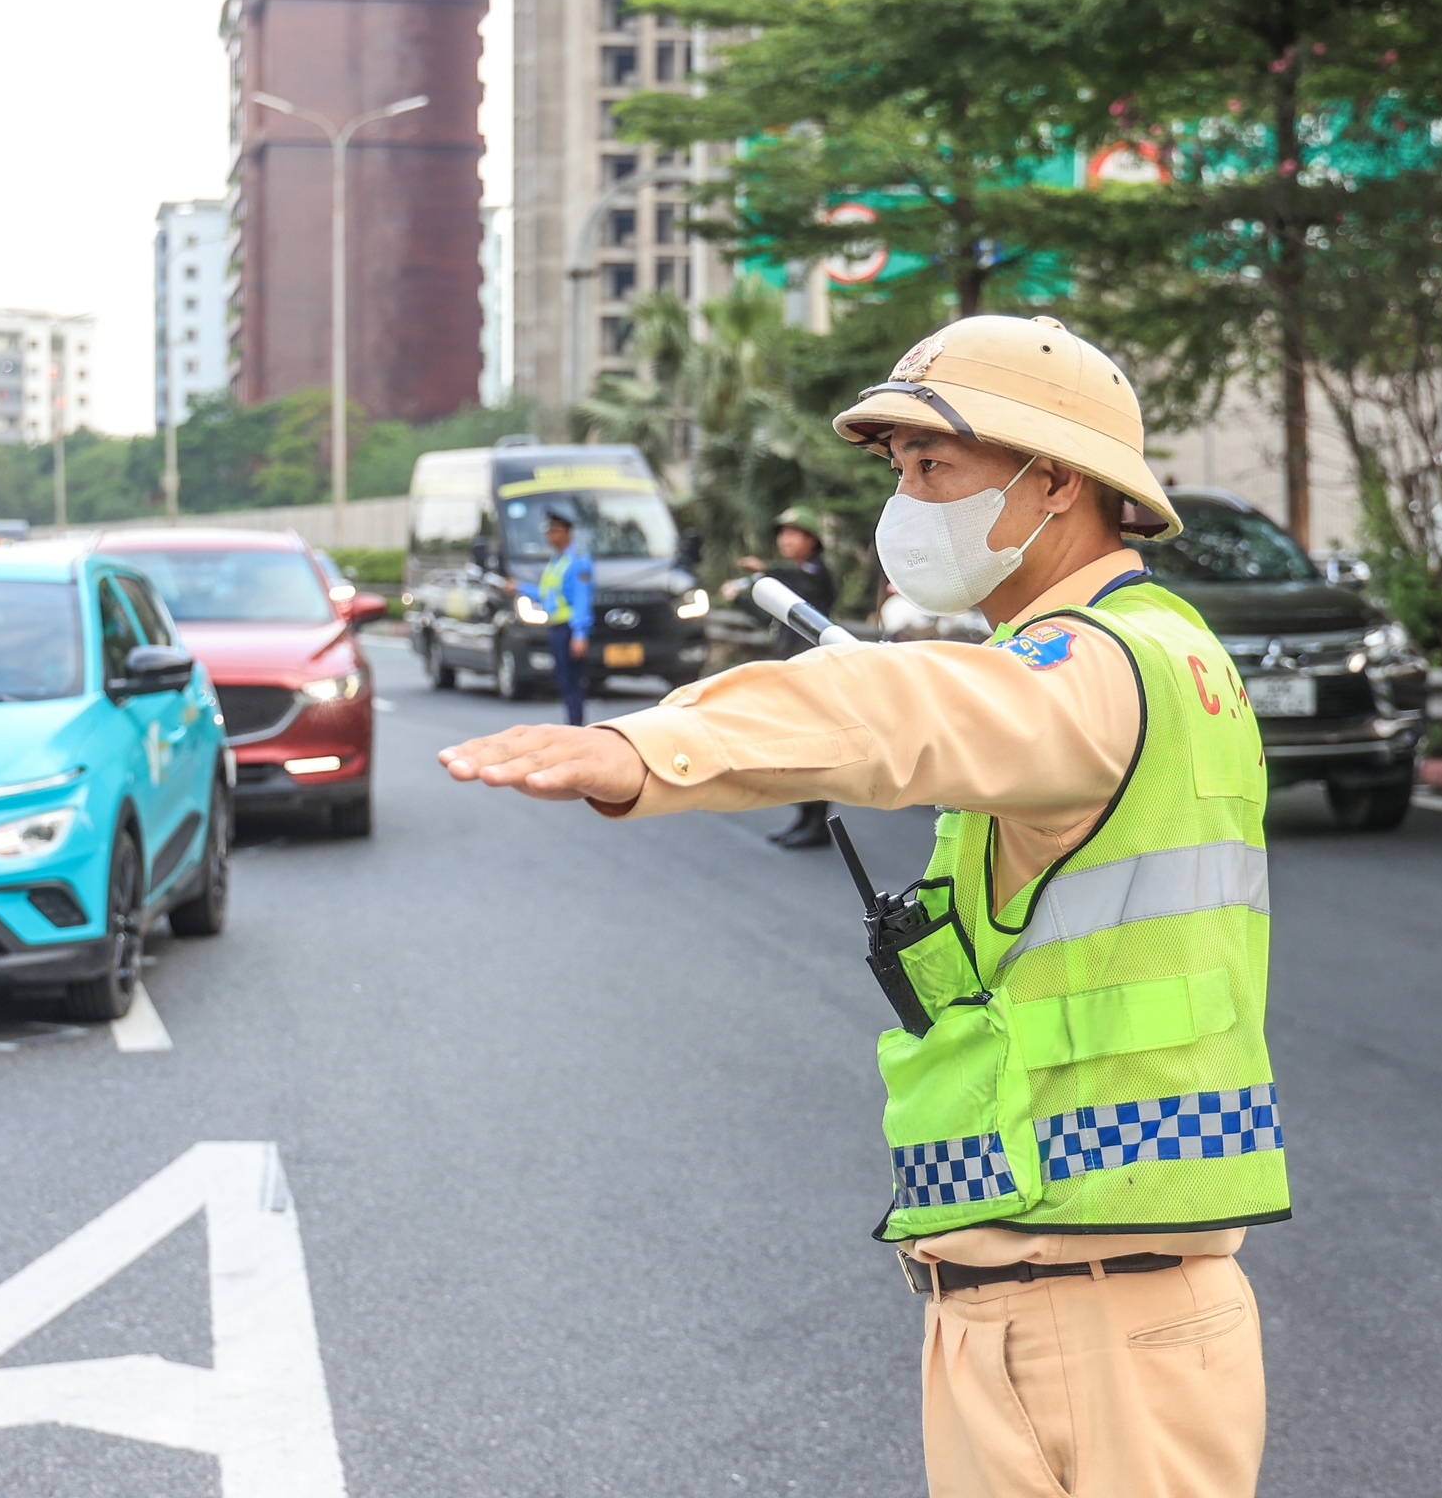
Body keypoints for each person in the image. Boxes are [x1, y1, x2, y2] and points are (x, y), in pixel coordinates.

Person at [439, 314, 1283, 1498]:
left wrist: (655, 745)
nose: (907, 500)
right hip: (1052, 1295)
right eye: (898, 470)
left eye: (935, 467)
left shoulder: (1097, 665)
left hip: (1091, 1321)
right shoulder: (1151, 646)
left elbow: (896, 709)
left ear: (1054, 481)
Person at [721, 505, 841, 848]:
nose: (785, 540)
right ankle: (803, 818)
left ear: (812, 540)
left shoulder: (817, 574)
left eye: (794, 533)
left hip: (816, 674)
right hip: (790, 673)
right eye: (782, 533)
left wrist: (765, 571)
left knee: (815, 751)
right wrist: (739, 599)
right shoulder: (788, 577)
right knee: (795, 751)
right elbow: (769, 618)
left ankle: (818, 823)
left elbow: (800, 581)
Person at [493, 507, 595, 724]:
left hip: (569, 628)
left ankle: (576, 726)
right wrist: (519, 587)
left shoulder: (577, 561)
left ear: (564, 533)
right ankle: (573, 724)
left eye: (553, 532)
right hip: (557, 626)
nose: (548, 536)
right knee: (564, 680)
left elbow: (581, 599)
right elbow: (546, 593)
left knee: (572, 680)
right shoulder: (557, 561)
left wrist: (579, 633)